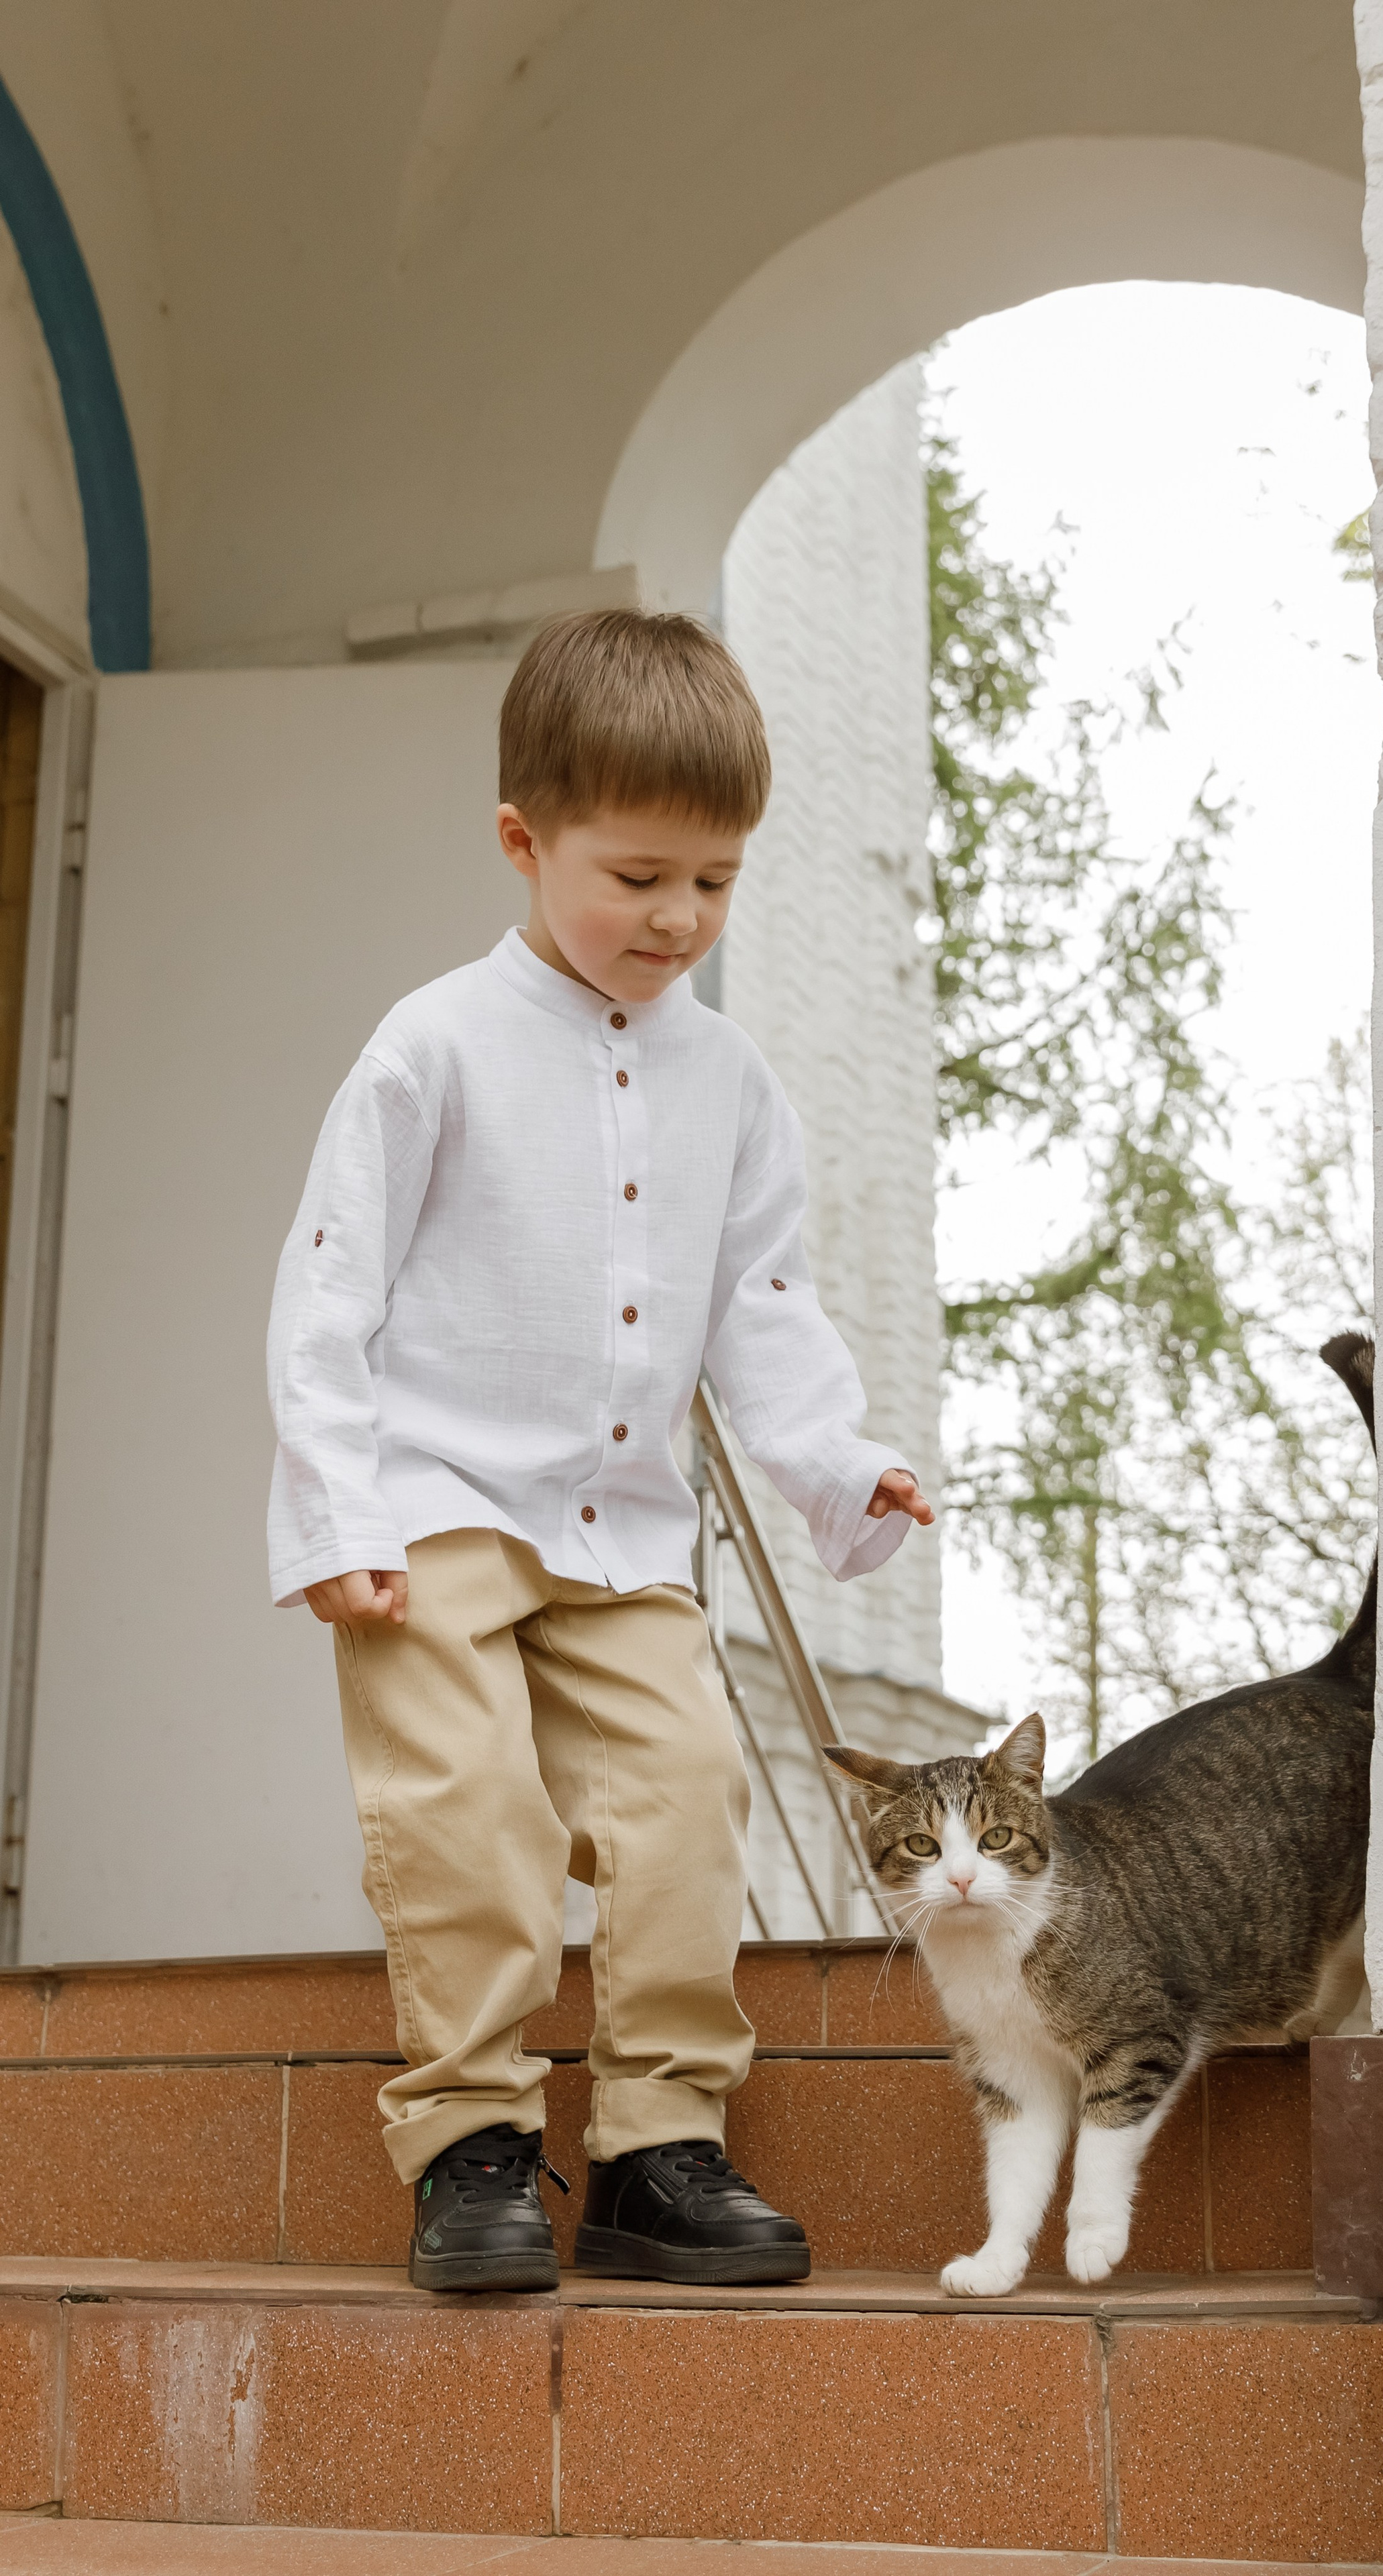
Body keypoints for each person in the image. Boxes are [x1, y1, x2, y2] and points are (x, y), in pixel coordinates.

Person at [266, 607, 933, 2293]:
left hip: (629, 1532)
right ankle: (473, 2144)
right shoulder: (433, 1045)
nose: (676, 918)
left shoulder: (733, 1080)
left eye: (713, 881)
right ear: (523, 838)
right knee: (467, 1808)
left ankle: (656, 2147)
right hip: (430, 1507)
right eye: (637, 875)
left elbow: (758, 1305)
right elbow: (330, 1290)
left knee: (688, 1792)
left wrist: (834, 1466)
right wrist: (335, 1508)